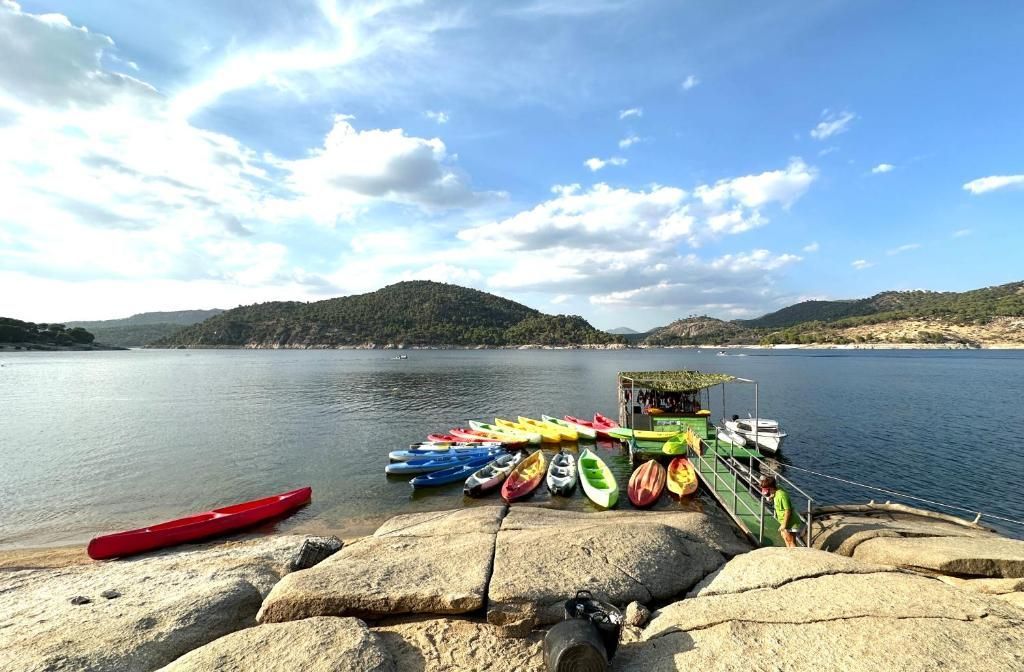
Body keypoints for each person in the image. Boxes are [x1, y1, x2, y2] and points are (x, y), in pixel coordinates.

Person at [759, 475, 803, 547]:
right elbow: (772, 491)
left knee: (790, 540)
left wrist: (784, 525)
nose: (766, 493)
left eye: (767, 490)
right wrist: (770, 496)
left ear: (770, 488)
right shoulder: (776, 490)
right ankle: (789, 553)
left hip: (790, 522)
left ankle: (793, 555)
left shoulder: (781, 495)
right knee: (784, 536)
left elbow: (788, 510)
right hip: (784, 520)